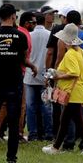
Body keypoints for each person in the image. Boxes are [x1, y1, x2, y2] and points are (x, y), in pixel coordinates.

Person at [0, 4, 37, 163]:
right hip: (14, 83)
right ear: (13, 16)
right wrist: (32, 66)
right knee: (13, 122)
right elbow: (23, 59)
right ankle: (11, 158)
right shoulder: (20, 36)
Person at [42, 23, 83, 155]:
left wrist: (57, 75)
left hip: (72, 93)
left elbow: (74, 73)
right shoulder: (82, 52)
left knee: (70, 120)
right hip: (79, 91)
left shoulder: (70, 54)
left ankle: (59, 148)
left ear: (65, 40)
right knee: (70, 120)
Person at [24, 11, 53, 142]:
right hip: (45, 75)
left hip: (30, 75)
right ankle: (48, 133)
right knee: (46, 105)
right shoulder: (50, 35)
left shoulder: (28, 35)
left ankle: (33, 134)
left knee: (30, 106)